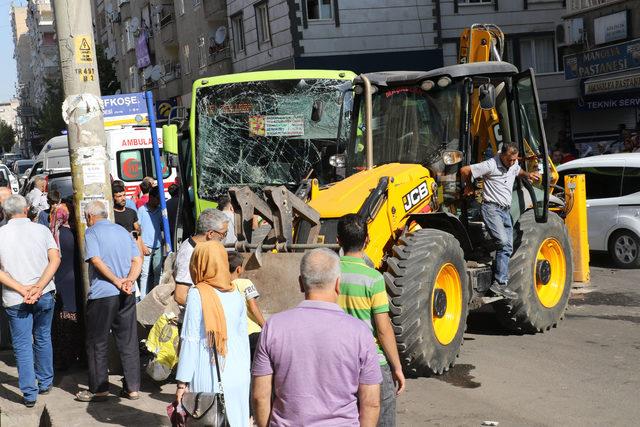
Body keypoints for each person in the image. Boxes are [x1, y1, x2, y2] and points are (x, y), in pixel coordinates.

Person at [252, 248, 382, 427]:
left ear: (300, 283)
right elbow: (371, 403)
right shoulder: (360, 333)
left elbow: (260, 396)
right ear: (338, 284)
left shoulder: (273, 327)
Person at [337, 214, 406, 426]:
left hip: (338, 362)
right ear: (367, 239)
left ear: (338, 240)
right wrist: (397, 367)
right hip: (371, 362)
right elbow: (383, 329)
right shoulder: (373, 279)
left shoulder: (329, 274)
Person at [174, 240, 250, 427]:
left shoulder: (197, 294)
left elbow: (190, 340)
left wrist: (181, 383)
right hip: (238, 372)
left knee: (208, 418)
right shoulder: (236, 294)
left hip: (209, 373)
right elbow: (243, 338)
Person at [76, 200, 142, 402]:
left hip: (103, 295)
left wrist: (116, 281)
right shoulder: (122, 231)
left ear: (89, 217)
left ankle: (100, 389)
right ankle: (133, 389)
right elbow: (137, 259)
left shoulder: (92, 232)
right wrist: (129, 281)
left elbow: (95, 259)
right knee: (129, 340)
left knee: (97, 342)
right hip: (126, 293)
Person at [0, 195, 60, 407]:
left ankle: (29, 394)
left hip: (15, 297)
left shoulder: (0, 234)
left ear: (5, 213)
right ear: (26, 210)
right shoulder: (42, 230)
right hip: (43, 294)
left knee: (22, 344)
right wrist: (39, 287)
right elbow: (55, 259)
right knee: (43, 336)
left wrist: (21, 288)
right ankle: (45, 382)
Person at [460, 142, 539, 298]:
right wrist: (468, 186)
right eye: (509, 160)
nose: (511, 163)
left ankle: (500, 284)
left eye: (514, 160)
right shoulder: (490, 164)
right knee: (503, 242)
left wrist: (527, 175)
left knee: (508, 246)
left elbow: (518, 170)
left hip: (505, 210)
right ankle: (497, 280)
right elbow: (465, 170)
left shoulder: (514, 163)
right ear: (502, 154)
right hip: (491, 208)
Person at [49, 200, 83, 370]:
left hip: (61, 280)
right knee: (74, 317)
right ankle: (78, 354)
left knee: (62, 319)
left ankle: (64, 358)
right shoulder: (76, 233)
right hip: (75, 280)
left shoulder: (56, 234)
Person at [173, 208, 229, 306]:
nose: (223, 238)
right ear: (210, 234)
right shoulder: (190, 253)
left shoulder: (197, 246)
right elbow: (180, 295)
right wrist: (207, 310)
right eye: (223, 234)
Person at [228, 251, 265, 360]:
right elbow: (253, 308)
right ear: (239, 269)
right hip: (252, 332)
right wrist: (266, 327)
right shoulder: (245, 283)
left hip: (234, 336)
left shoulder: (223, 286)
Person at [137, 186, 163, 298]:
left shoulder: (160, 210)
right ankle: (143, 297)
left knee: (158, 273)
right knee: (145, 274)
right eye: (158, 198)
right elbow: (138, 230)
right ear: (151, 197)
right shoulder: (142, 210)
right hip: (146, 246)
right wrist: (142, 246)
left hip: (158, 246)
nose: (159, 201)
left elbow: (162, 226)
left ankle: (156, 295)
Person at [112, 181, 144, 255]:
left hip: (131, 250)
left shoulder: (131, 212)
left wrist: (135, 232)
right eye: (119, 196)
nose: (123, 198)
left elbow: (138, 229)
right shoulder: (111, 215)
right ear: (113, 198)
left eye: (124, 195)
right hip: (118, 251)